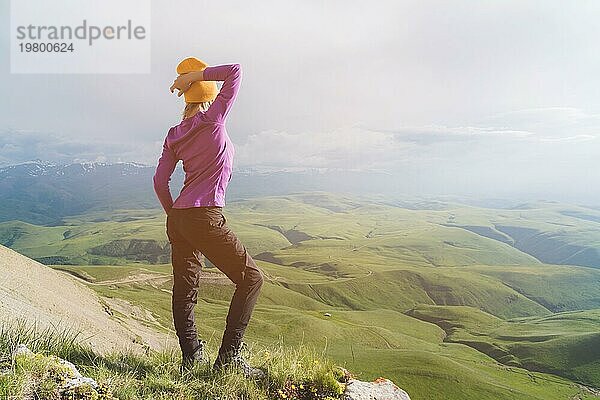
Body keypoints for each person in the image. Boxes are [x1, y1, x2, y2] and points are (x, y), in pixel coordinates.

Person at [152, 57, 265, 378]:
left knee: (184, 290)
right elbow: (236, 71)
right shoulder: (213, 121)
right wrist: (193, 76)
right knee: (251, 279)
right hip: (204, 215)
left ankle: (192, 359)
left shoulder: (174, 133)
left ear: (187, 101)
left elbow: (159, 182)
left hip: (178, 217)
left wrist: (174, 215)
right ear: (211, 98)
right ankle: (229, 359)